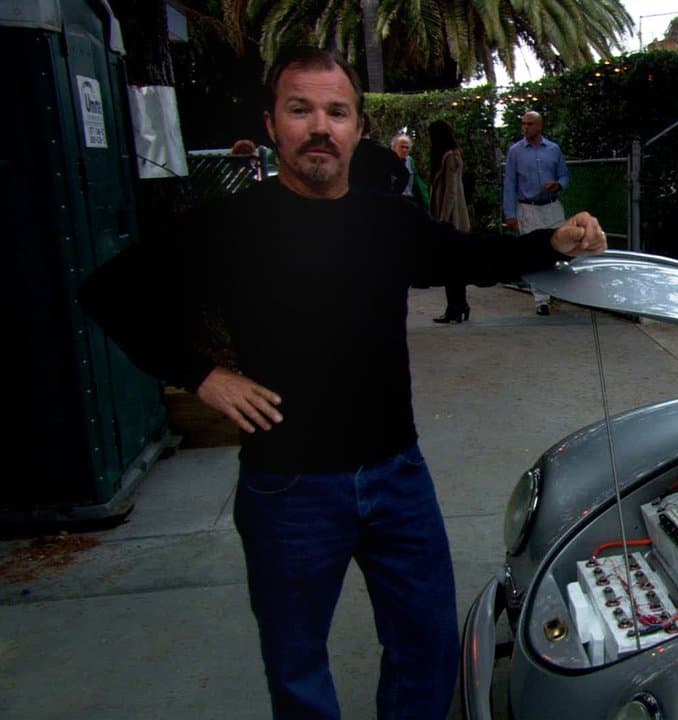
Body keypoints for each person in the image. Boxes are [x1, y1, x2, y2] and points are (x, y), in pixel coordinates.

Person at [78, 46, 607, 720]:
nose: (320, 128)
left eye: (336, 112)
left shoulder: (385, 220)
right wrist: (203, 378)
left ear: (358, 127)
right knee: (297, 667)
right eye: (300, 110)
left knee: (427, 648)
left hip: (396, 477)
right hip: (288, 487)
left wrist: (551, 243)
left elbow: (467, 255)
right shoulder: (233, 225)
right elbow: (111, 292)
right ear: (273, 124)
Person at [503, 110, 570, 316]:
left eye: (530, 124)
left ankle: (558, 289)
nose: (526, 128)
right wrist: (510, 214)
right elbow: (510, 183)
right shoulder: (516, 151)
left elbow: (564, 175)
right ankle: (541, 300)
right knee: (533, 252)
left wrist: (558, 185)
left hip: (551, 205)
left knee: (560, 247)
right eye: (523, 124)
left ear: (539, 126)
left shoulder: (553, 149)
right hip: (528, 207)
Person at [427, 119, 472, 323]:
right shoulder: (449, 155)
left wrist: (443, 219)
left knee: (452, 265)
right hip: (451, 217)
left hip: (452, 218)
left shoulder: (450, 157)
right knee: (454, 265)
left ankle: (456, 307)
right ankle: (458, 306)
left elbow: (451, 191)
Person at [348, 112, 409, 195]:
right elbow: (404, 174)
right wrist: (393, 195)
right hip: (380, 200)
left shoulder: (346, 153)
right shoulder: (385, 153)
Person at [391, 133, 424, 205]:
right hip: (393, 199)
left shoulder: (410, 161)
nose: (404, 150)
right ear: (394, 147)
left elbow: (416, 182)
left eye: (407, 147)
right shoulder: (388, 161)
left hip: (409, 199)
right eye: (402, 147)